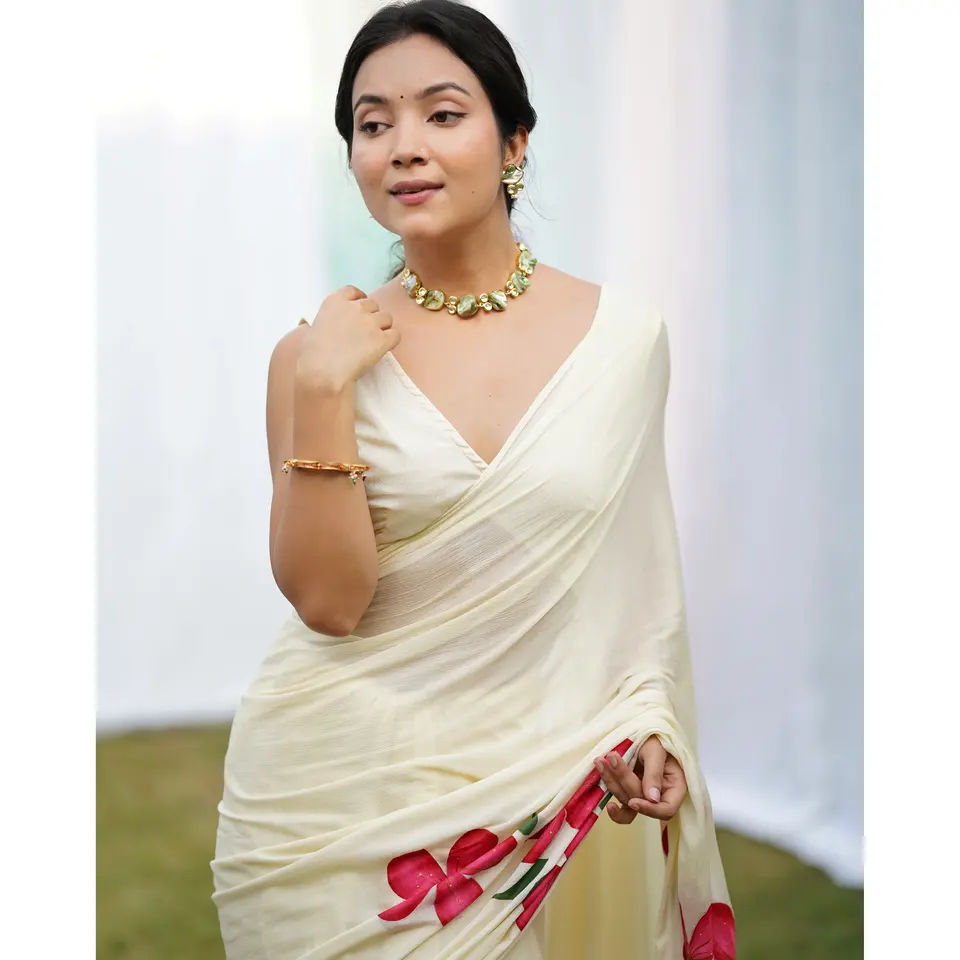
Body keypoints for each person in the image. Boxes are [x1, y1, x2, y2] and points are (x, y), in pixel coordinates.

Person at [211, 2, 735, 958]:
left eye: (443, 114)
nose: (403, 146)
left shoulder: (623, 342)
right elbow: (330, 603)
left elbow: (637, 575)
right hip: (332, 803)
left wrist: (645, 718)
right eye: (373, 124)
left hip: (536, 790)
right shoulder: (314, 357)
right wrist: (325, 388)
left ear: (514, 142)